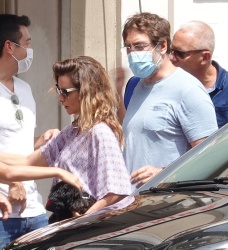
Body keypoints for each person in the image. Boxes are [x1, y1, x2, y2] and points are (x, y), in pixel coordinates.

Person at [0, 56, 132, 219]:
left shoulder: (100, 132)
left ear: (86, 91)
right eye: (58, 90)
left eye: (65, 92)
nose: (60, 98)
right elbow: (27, 162)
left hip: (85, 226)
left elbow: (117, 190)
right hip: (65, 219)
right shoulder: (71, 131)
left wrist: (83, 220)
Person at [120, 12, 218, 190]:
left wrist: (164, 174)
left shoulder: (188, 90)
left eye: (140, 46)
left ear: (163, 46)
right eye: (128, 47)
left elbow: (209, 159)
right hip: (131, 205)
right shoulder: (135, 85)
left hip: (167, 206)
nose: (132, 54)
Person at [0, 14, 59, 248]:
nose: (30, 50)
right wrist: (13, 181)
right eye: (27, 43)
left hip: (33, 210)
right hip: (3, 213)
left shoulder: (24, 88)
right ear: (9, 47)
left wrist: (42, 140)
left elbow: (17, 142)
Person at [170, 20, 228, 128]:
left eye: (180, 53)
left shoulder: (225, 89)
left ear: (205, 57)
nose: (171, 57)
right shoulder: (167, 85)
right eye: (171, 50)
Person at [0, 164, 82, 221]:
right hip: (5, 216)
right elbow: (7, 172)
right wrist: (58, 172)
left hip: (37, 214)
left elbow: (27, 160)